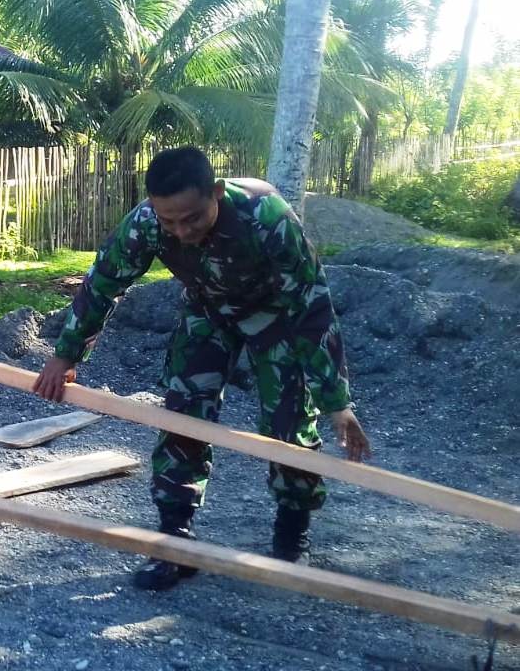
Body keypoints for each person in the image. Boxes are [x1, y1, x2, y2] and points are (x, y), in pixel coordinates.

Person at [33, 146, 371, 590]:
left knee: (287, 426)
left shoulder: (267, 217)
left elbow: (311, 307)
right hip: (208, 311)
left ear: (215, 192)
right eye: (169, 221)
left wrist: (337, 402)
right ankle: (176, 542)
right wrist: (65, 354)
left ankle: (292, 535)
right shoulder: (148, 221)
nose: (180, 231)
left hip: (277, 316)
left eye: (191, 218)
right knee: (182, 417)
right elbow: (102, 283)